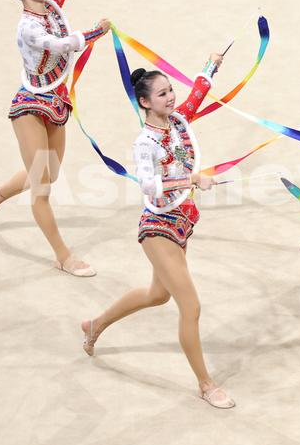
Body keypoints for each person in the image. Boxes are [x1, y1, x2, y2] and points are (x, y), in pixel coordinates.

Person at [81, 57, 235, 409]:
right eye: (162, 94)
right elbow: (149, 186)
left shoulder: (177, 122)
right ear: (145, 102)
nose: (171, 97)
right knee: (190, 306)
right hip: (158, 227)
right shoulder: (145, 142)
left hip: (181, 222)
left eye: (171, 90)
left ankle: (95, 325)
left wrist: (210, 67)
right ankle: (206, 384)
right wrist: (191, 179)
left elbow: (195, 98)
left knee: (157, 294)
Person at [0, 0, 109, 277]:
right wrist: (96, 32)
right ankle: (64, 256)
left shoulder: (49, 6)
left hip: (56, 102)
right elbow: (61, 45)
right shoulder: (28, 28)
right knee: (42, 187)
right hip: (31, 106)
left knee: (50, 173)